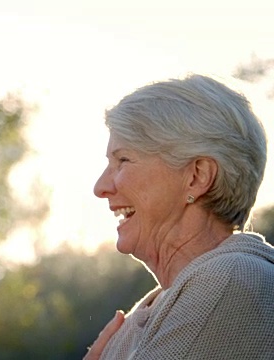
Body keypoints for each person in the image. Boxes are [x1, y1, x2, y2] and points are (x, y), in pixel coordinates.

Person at [86, 74, 274, 359]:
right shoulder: (171, 298)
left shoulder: (229, 280)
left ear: (197, 177)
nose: (100, 187)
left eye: (123, 160)